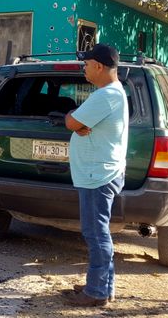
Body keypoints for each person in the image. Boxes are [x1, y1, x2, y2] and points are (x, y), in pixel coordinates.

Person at [64, 44, 127, 307]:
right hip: (99, 173)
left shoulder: (105, 95)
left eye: (87, 64)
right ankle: (102, 285)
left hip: (97, 175)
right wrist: (79, 124)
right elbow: (79, 124)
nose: (84, 69)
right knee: (97, 232)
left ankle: (97, 291)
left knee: (95, 233)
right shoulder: (110, 93)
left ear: (99, 66)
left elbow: (71, 121)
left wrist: (74, 120)